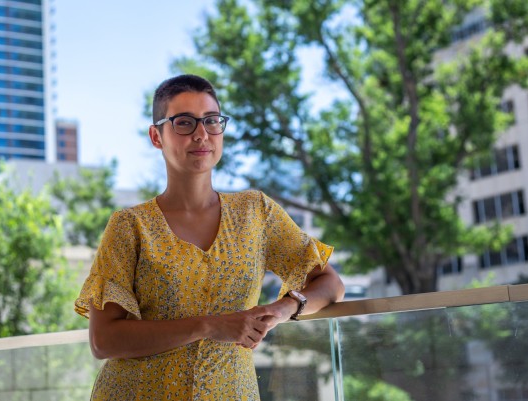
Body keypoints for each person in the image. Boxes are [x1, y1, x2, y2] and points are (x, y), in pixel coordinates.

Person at [74, 74, 345, 400]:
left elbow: (330, 284)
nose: (202, 134)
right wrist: (209, 326)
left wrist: (284, 309)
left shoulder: (255, 213)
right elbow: (104, 340)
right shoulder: (130, 226)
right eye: (184, 123)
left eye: (212, 121)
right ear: (156, 136)